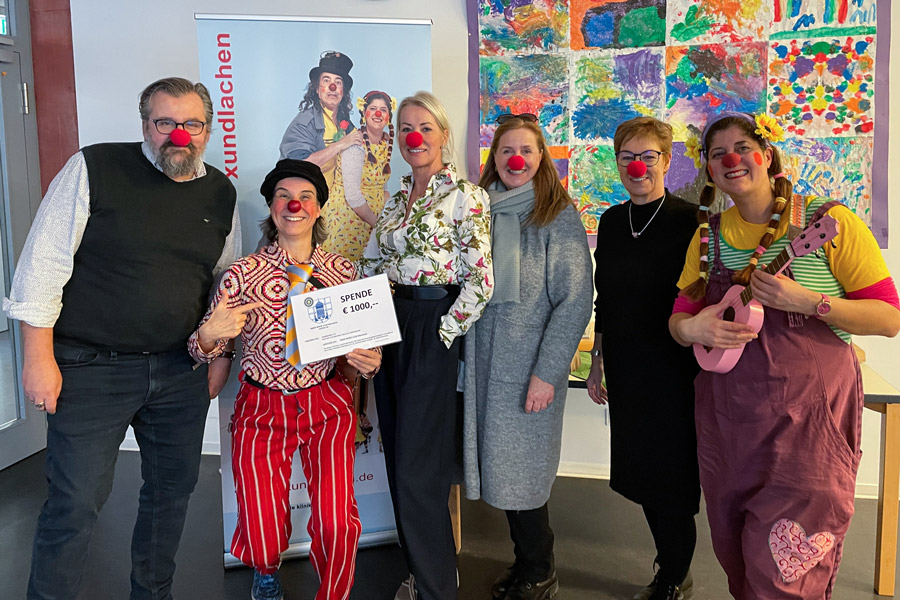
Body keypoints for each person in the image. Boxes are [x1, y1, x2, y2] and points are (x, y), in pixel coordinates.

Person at [3, 76, 241, 600]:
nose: (179, 135)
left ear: (207, 129)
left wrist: (219, 354)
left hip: (181, 370)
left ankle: (152, 594)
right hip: (91, 368)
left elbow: (224, 280)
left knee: (171, 495)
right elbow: (41, 266)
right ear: (144, 125)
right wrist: (37, 357)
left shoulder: (220, 191)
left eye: (192, 124)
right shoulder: (94, 168)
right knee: (75, 502)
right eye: (165, 123)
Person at [669, 111, 900, 599]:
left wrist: (810, 302)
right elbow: (678, 320)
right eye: (717, 153)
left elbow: (888, 317)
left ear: (766, 155)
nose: (731, 159)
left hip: (808, 429)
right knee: (737, 556)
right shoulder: (707, 236)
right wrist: (692, 326)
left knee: (785, 575)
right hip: (728, 423)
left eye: (742, 147)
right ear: (709, 170)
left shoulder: (827, 222)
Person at [188, 159, 381, 600]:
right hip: (262, 405)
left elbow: (361, 358)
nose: (294, 204)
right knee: (260, 517)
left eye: (305, 196)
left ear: (318, 210)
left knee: (336, 518)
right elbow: (204, 351)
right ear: (272, 208)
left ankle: (335, 592)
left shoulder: (345, 274)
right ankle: (266, 570)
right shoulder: (240, 274)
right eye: (283, 196)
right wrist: (205, 336)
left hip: (326, 402)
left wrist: (369, 360)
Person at [360, 91, 493, 600]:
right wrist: (366, 331)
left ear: (441, 135)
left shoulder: (466, 197)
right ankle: (422, 571)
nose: (413, 137)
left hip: (432, 324)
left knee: (420, 463)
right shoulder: (394, 201)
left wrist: (440, 335)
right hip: (390, 323)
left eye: (424, 128)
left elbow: (481, 281)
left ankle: (437, 587)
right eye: (404, 129)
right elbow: (373, 267)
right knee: (397, 453)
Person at [464, 113, 592, 600]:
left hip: (528, 370)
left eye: (526, 150)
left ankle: (540, 570)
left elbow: (576, 299)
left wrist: (548, 373)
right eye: (505, 150)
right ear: (494, 158)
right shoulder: (478, 212)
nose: (515, 159)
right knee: (501, 471)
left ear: (541, 160)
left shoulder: (557, 217)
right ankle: (525, 564)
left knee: (524, 476)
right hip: (483, 365)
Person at [586, 117, 701, 600]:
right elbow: (604, 300)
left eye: (647, 156)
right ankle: (668, 562)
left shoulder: (689, 220)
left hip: (676, 369)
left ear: (667, 161)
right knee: (642, 472)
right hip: (628, 367)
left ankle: (674, 575)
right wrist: (597, 360)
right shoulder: (612, 222)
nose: (636, 166)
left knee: (672, 479)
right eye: (626, 156)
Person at [321, 90, 395, 261]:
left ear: (388, 116)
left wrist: (389, 217)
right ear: (364, 113)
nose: (378, 114)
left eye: (383, 110)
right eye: (373, 108)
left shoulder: (385, 143)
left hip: (373, 217)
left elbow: (383, 186)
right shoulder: (356, 146)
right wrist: (378, 226)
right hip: (349, 219)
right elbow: (353, 195)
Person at [279, 51, 363, 188]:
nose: (332, 87)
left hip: (333, 200)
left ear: (343, 92)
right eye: (326, 80)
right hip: (304, 198)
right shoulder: (305, 122)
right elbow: (300, 166)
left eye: (338, 82)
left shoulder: (342, 120)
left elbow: (358, 142)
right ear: (317, 89)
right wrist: (340, 144)